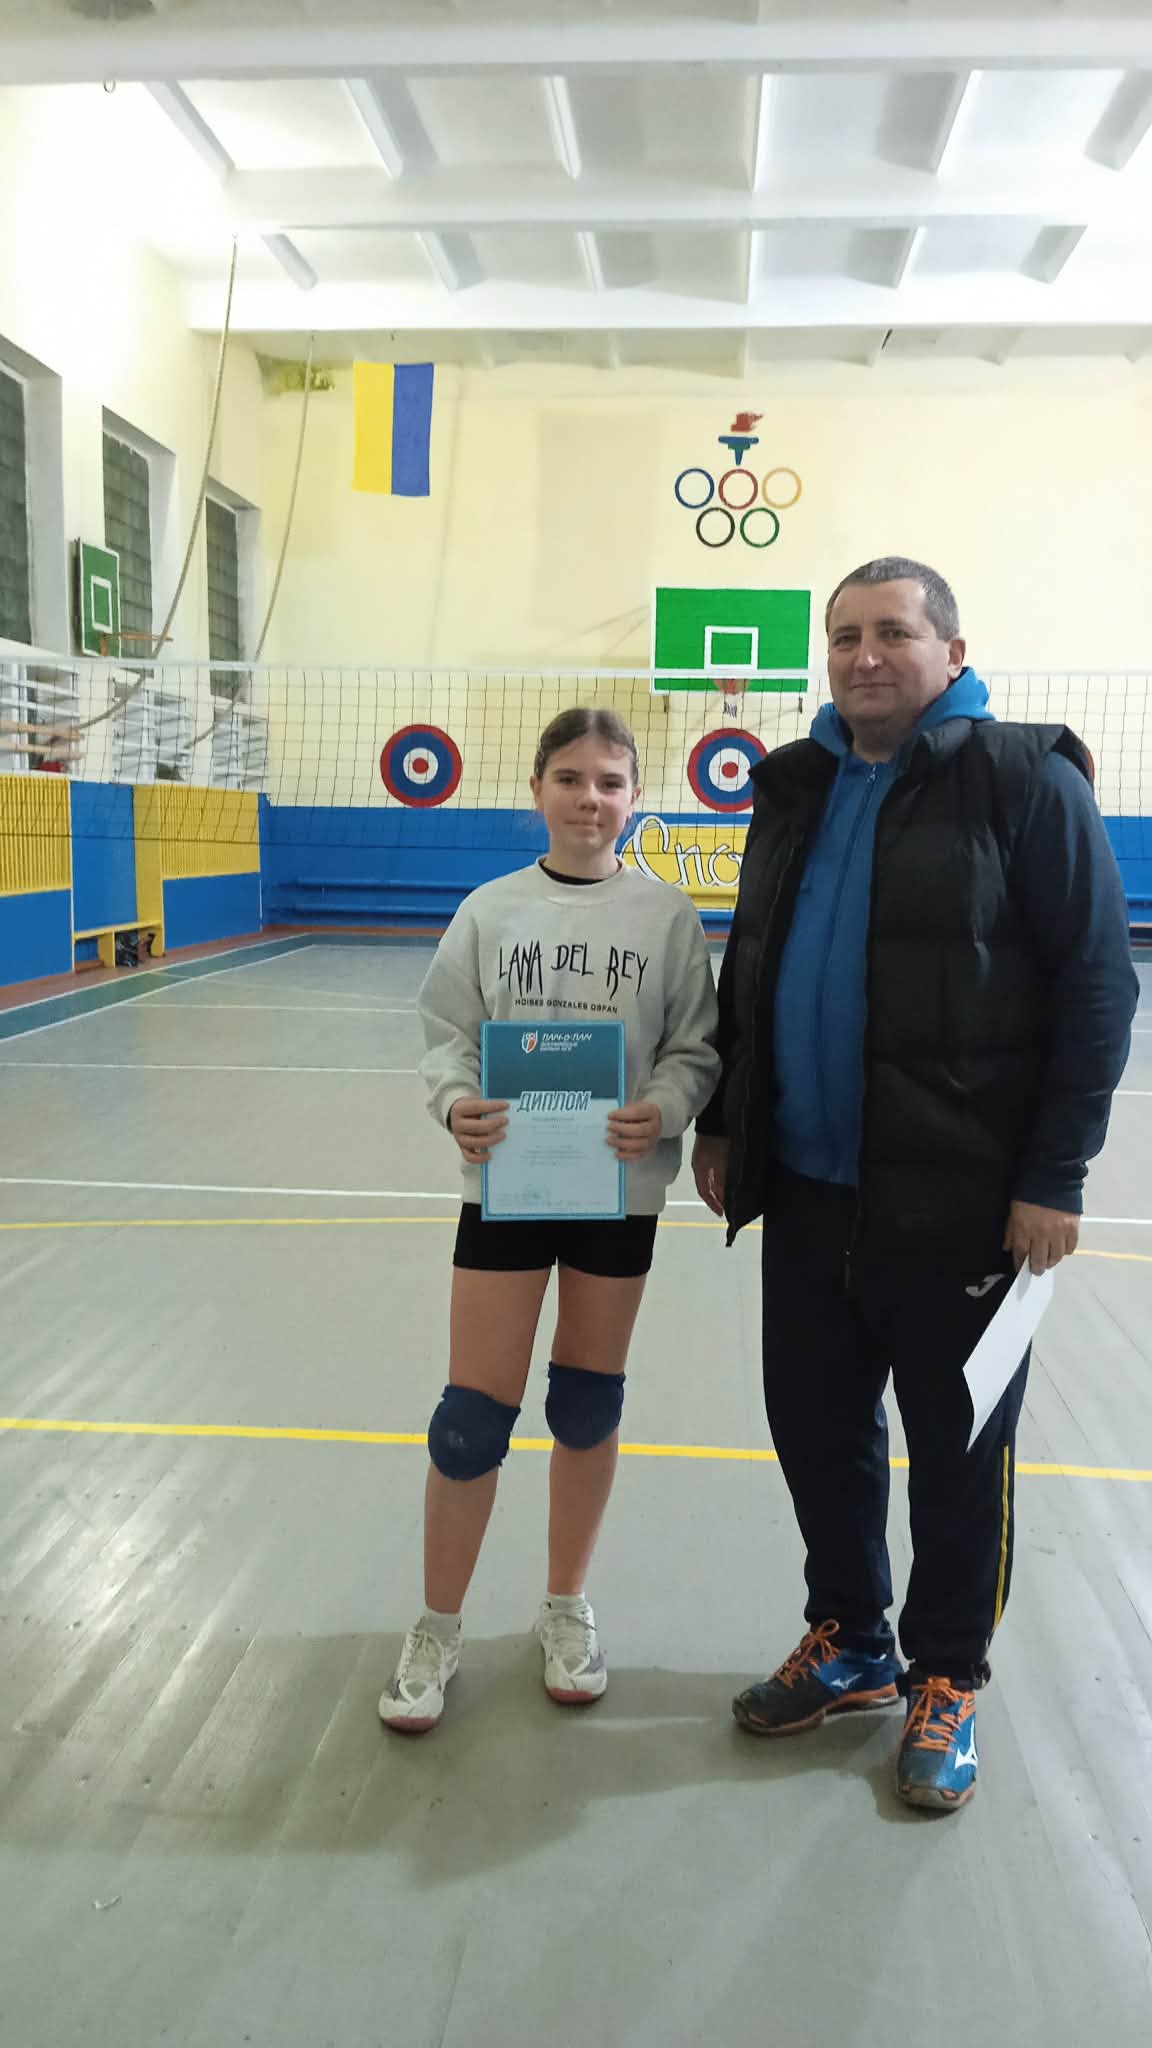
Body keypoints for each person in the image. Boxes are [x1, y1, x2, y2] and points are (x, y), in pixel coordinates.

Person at [693, 557, 1139, 1811]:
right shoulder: (794, 784)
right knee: (817, 1428)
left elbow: (1098, 986)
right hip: (809, 1189)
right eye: (844, 635)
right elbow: (753, 964)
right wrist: (728, 1118)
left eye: (893, 631)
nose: (864, 655)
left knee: (959, 1450)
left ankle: (948, 1672)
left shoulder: (1027, 778)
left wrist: (1054, 1173)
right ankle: (850, 1638)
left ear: (953, 650)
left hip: (966, 1200)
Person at [381, 706, 720, 1732]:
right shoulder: (490, 910)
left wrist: (665, 1105)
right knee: (471, 1418)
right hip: (510, 1185)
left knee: (585, 1401)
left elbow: (695, 1045)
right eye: (570, 778)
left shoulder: (666, 917)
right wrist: (457, 1104)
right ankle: (437, 1625)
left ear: (636, 798)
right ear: (537, 790)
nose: (589, 799)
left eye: (610, 781)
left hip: (618, 1185)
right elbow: (448, 1033)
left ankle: (565, 1607)